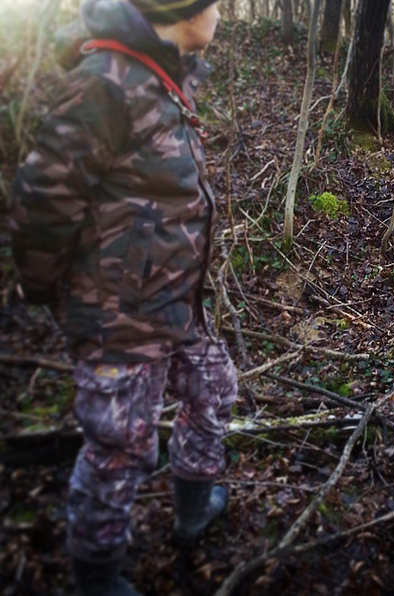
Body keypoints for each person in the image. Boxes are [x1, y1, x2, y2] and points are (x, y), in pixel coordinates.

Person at [9, 1, 237, 595]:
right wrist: (43, 288)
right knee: (120, 448)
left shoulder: (161, 75)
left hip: (177, 302)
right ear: (185, 10)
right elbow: (42, 199)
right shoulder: (105, 81)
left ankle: (193, 510)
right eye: (217, 6)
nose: (222, 16)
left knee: (213, 390)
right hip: (119, 315)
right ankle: (97, 578)